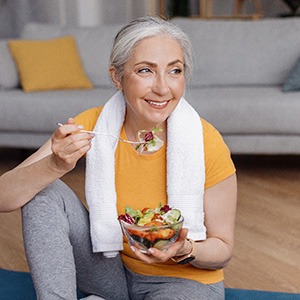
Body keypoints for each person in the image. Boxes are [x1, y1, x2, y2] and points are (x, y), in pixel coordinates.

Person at [0, 16, 237, 300]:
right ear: (117, 77)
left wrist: (186, 248)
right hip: (112, 272)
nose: (163, 88)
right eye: (145, 70)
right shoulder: (94, 124)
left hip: (183, 282)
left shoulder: (205, 141)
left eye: (175, 71)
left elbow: (222, 249)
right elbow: (4, 196)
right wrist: (53, 165)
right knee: (43, 190)